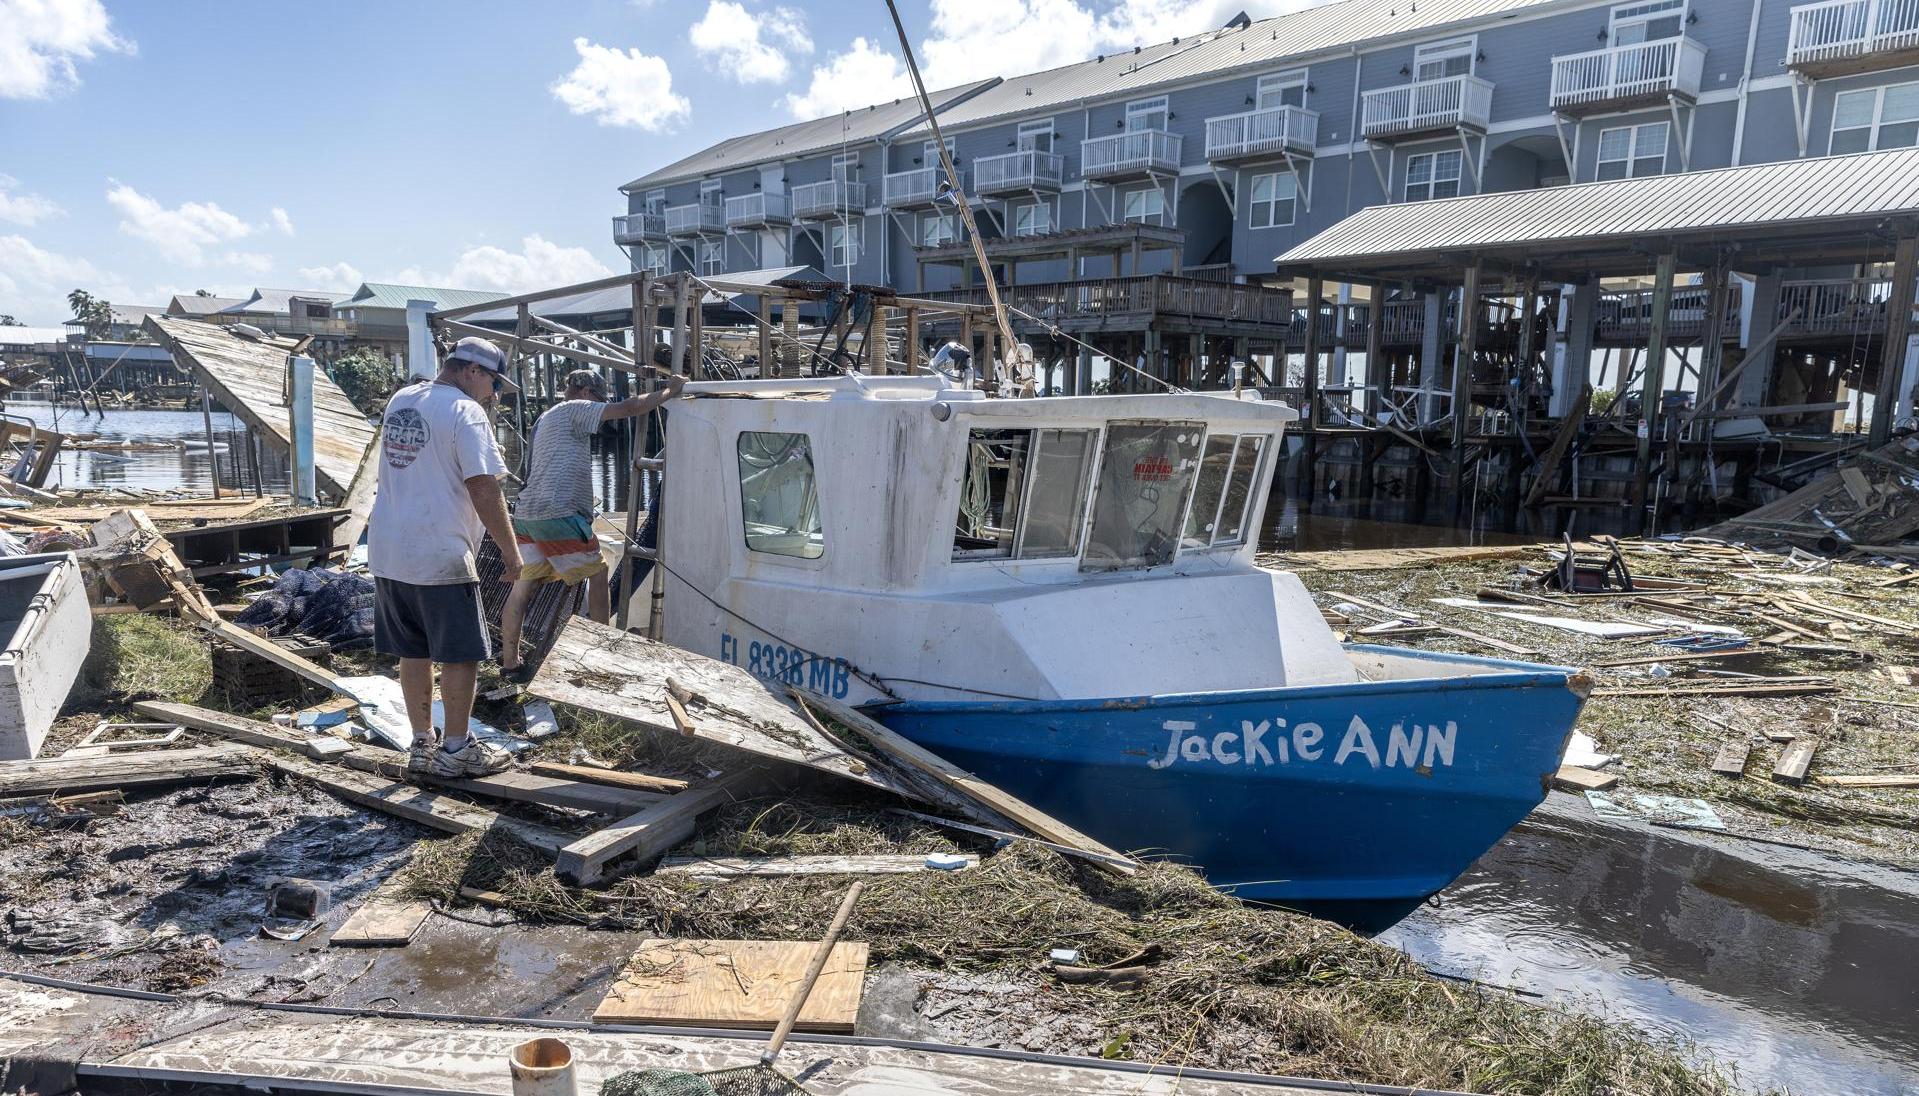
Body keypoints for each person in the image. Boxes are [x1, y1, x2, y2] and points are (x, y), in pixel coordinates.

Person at [367, 336, 522, 778]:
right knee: (460, 654)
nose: (493, 395)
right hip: (440, 550)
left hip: (389, 547)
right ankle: (456, 749)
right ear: (472, 371)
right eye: (493, 382)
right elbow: (483, 485)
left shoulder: (402, 399)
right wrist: (511, 554)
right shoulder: (465, 411)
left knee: (412, 649)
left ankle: (421, 745)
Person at [499, 368, 685, 679]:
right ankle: (601, 655)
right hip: (558, 513)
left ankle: (510, 664)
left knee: (522, 589)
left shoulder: (547, 418)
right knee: (599, 575)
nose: (600, 408)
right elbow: (627, 408)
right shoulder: (576, 408)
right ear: (586, 392)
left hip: (527, 513)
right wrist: (669, 392)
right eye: (599, 400)